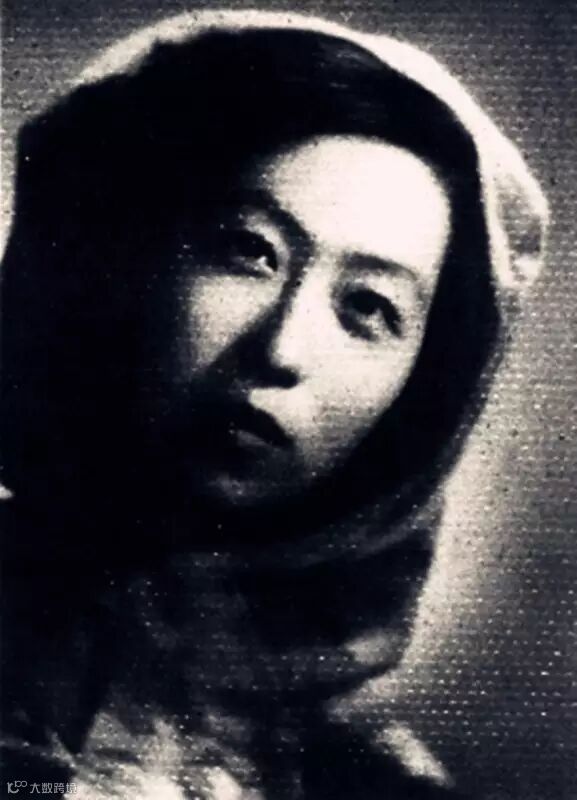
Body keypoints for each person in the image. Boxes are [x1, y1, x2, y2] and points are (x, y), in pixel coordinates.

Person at [0, 10, 548, 799]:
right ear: (130, 261)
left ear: (418, 394)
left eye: (367, 307)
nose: (282, 348)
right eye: (249, 251)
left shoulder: (369, 785)